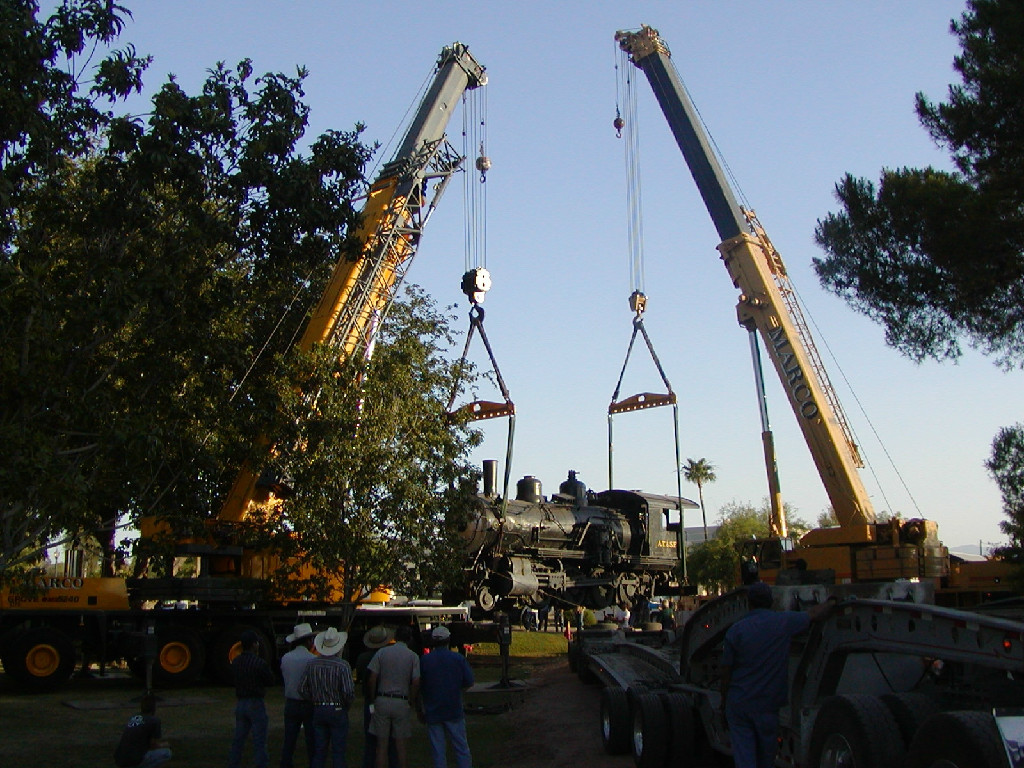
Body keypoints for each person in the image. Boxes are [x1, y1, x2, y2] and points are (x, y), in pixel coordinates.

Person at [718, 582, 836, 768]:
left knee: (745, 758)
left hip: (739, 703)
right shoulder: (783, 622)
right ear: (771, 602)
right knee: (767, 758)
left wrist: (724, 702)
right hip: (768, 706)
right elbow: (814, 614)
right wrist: (832, 603)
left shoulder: (736, 630)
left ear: (749, 603)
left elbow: (726, 672)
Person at [418, 625, 474, 768]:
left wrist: (420, 708)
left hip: (433, 710)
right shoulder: (458, 659)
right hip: (453, 708)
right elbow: (469, 681)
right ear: (448, 640)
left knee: (438, 750)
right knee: (461, 747)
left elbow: (418, 685)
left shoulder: (425, 661)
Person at [299, 627, 355, 768]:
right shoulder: (343, 666)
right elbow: (348, 692)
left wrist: (313, 699)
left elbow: (301, 688)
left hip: (318, 708)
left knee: (319, 750)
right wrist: (345, 705)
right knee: (338, 751)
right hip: (337, 708)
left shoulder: (312, 664)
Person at [366, 624, 420, 768]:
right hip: (401, 700)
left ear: (395, 637)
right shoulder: (412, 656)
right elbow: (415, 681)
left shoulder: (382, 653)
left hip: (382, 699)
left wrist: (372, 699)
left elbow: (372, 678)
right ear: (409, 639)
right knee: (401, 747)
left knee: (381, 746)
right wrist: (411, 700)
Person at [228, 629, 276, 768]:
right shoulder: (259, 663)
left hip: (241, 702)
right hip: (256, 702)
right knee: (259, 740)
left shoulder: (236, 662)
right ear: (254, 644)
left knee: (238, 739)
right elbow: (270, 680)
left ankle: (233, 763)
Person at [354, 626, 398, 768]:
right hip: (386, 697)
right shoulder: (388, 657)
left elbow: (361, 677)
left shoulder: (362, 658)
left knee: (370, 740)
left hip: (370, 700)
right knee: (391, 739)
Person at [279, 623, 317, 768]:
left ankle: (286, 763)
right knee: (311, 739)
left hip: (291, 702)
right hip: (308, 702)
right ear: (308, 641)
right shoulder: (312, 660)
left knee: (289, 739)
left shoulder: (286, 658)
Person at [114, 693, 172, 768]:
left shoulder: (134, 717)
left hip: (120, 758)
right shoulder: (154, 720)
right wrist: (165, 744)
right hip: (134, 759)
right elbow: (153, 745)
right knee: (167, 753)